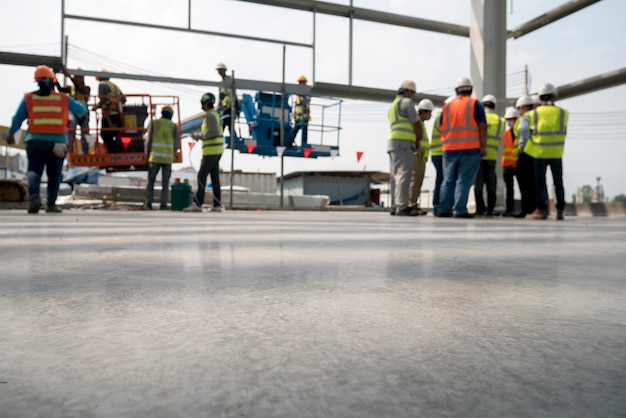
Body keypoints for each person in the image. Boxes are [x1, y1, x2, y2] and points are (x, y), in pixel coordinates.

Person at [6, 65, 87, 214]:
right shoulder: (63, 99)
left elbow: (17, 118)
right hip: (58, 142)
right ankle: (51, 204)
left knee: (34, 170)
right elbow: (82, 111)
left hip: (34, 141)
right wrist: (79, 99)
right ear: (53, 81)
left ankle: (35, 197)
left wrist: (12, 134)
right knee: (54, 173)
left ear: (36, 81)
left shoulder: (29, 99)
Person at [435, 77, 487, 218]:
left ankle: (443, 209)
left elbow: (441, 127)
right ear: (470, 90)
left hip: (449, 149)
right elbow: (482, 126)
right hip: (470, 149)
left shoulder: (447, 107)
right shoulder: (475, 104)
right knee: (463, 180)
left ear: (456, 91)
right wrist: (483, 146)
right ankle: (459, 210)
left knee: (448, 180)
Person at [525, 83, 569, 220]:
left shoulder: (532, 114)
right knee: (558, 182)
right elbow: (564, 131)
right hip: (556, 152)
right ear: (554, 96)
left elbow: (524, 132)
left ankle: (541, 210)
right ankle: (560, 210)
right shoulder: (563, 113)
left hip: (539, 152)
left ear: (540, 97)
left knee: (540, 182)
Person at [387, 80, 423, 216]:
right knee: (404, 174)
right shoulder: (407, 103)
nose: (413, 96)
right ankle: (402, 207)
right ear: (408, 91)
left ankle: (394, 206)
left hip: (392, 142)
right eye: (413, 93)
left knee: (395, 176)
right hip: (404, 143)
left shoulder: (392, 106)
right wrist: (418, 141)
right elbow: (416, 124)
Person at [184, 92, 224, 213]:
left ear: (206, 103)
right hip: (216, 150)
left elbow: (213, 132)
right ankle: (217, 204)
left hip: (211, 151)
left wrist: (198, 136)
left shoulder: (210, 116)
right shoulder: (215, 114)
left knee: (201, 176)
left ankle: (198, 203)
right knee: (214, 177)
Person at [143, 105, 180, 210]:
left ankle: (148, 203)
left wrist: (147, 153)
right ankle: (163, 204)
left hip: (155, 157)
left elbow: (148, 140)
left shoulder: (154, 123)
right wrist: (172, 153)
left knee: (151, 181)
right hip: (167, 158)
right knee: (165, 182)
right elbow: (177, 143)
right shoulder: (173, 126)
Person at [474, 94, 505, 217]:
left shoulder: (478, 118)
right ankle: (490, 211)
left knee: (478, 184)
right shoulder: (500, 121)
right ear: (494, 106)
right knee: (491, 184)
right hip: (492, 156)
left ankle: (480, 210)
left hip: (478, 155)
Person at [408, 99, 433, 216]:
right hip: (417, 156)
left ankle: (414, 203)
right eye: (429, 112)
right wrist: (418, 149)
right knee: (415, 181)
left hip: (420, 157)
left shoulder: (421, 123)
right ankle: (411, 204)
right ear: (424, 112)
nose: (431, 115)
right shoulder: (417, 123)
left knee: (418, 182)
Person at [514, 95, 538, 218]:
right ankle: (533, 208)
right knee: (533, 182)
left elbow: (523, 131)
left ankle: (526, 209)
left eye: (519, 108)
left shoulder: (526, 117)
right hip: (536, 153)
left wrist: (521, 146)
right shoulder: (537, 116)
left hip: (525, 153)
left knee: (524, 183)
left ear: (523, 107)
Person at [63, 68, 91, 154]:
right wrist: (54, 79)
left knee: (85, 135)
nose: (78, 79)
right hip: (73, 114)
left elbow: (80, 88)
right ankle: (70, 152)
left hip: (84, 115)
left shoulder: (86, 88)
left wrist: (70, 77)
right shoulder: (70, 88)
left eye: (79, 77)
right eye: (77, 77)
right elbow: (60, 89)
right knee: (71, 133)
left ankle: (85, 153)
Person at [97, 70, 126, 153]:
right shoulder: (115, 86)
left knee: (105, 135)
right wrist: (116, 104)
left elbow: (102, 99)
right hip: (118, 115)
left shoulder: (102, 84)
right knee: (117, 135)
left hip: (108, 115)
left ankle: (111, 152)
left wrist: (97, 106)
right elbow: (124, 99)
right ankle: (118, 151)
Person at [501, 106, 520, 216]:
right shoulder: (505, 134)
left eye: (511, 120)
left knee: (523, 187)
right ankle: (509, 209)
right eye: (508, 120)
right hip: (507, 164)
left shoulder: (521, 132)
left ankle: (526, 208)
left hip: (519, 163)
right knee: (509, 188)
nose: (509, 122)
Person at [215, 62, 238, 136]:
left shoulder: (230, 80)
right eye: (218, 70)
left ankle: (222, 137)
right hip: (225, 106)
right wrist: (218, 106)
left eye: (220, 70)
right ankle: (232, 138)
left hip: (232, 104)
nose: (219, 72)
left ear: (224, 70)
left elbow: (233, 93)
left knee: (227, 123)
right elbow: (220, 96)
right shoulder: (220, 83)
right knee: (227, 123)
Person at [290, 75, 311, 147]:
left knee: (303, 131)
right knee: (295, 130)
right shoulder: (298, 95)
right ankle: (289, 142)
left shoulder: (306, 94)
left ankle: (304, 143)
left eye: (301, 83)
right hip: (298, 117)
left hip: (304, 117)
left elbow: (307, 101)